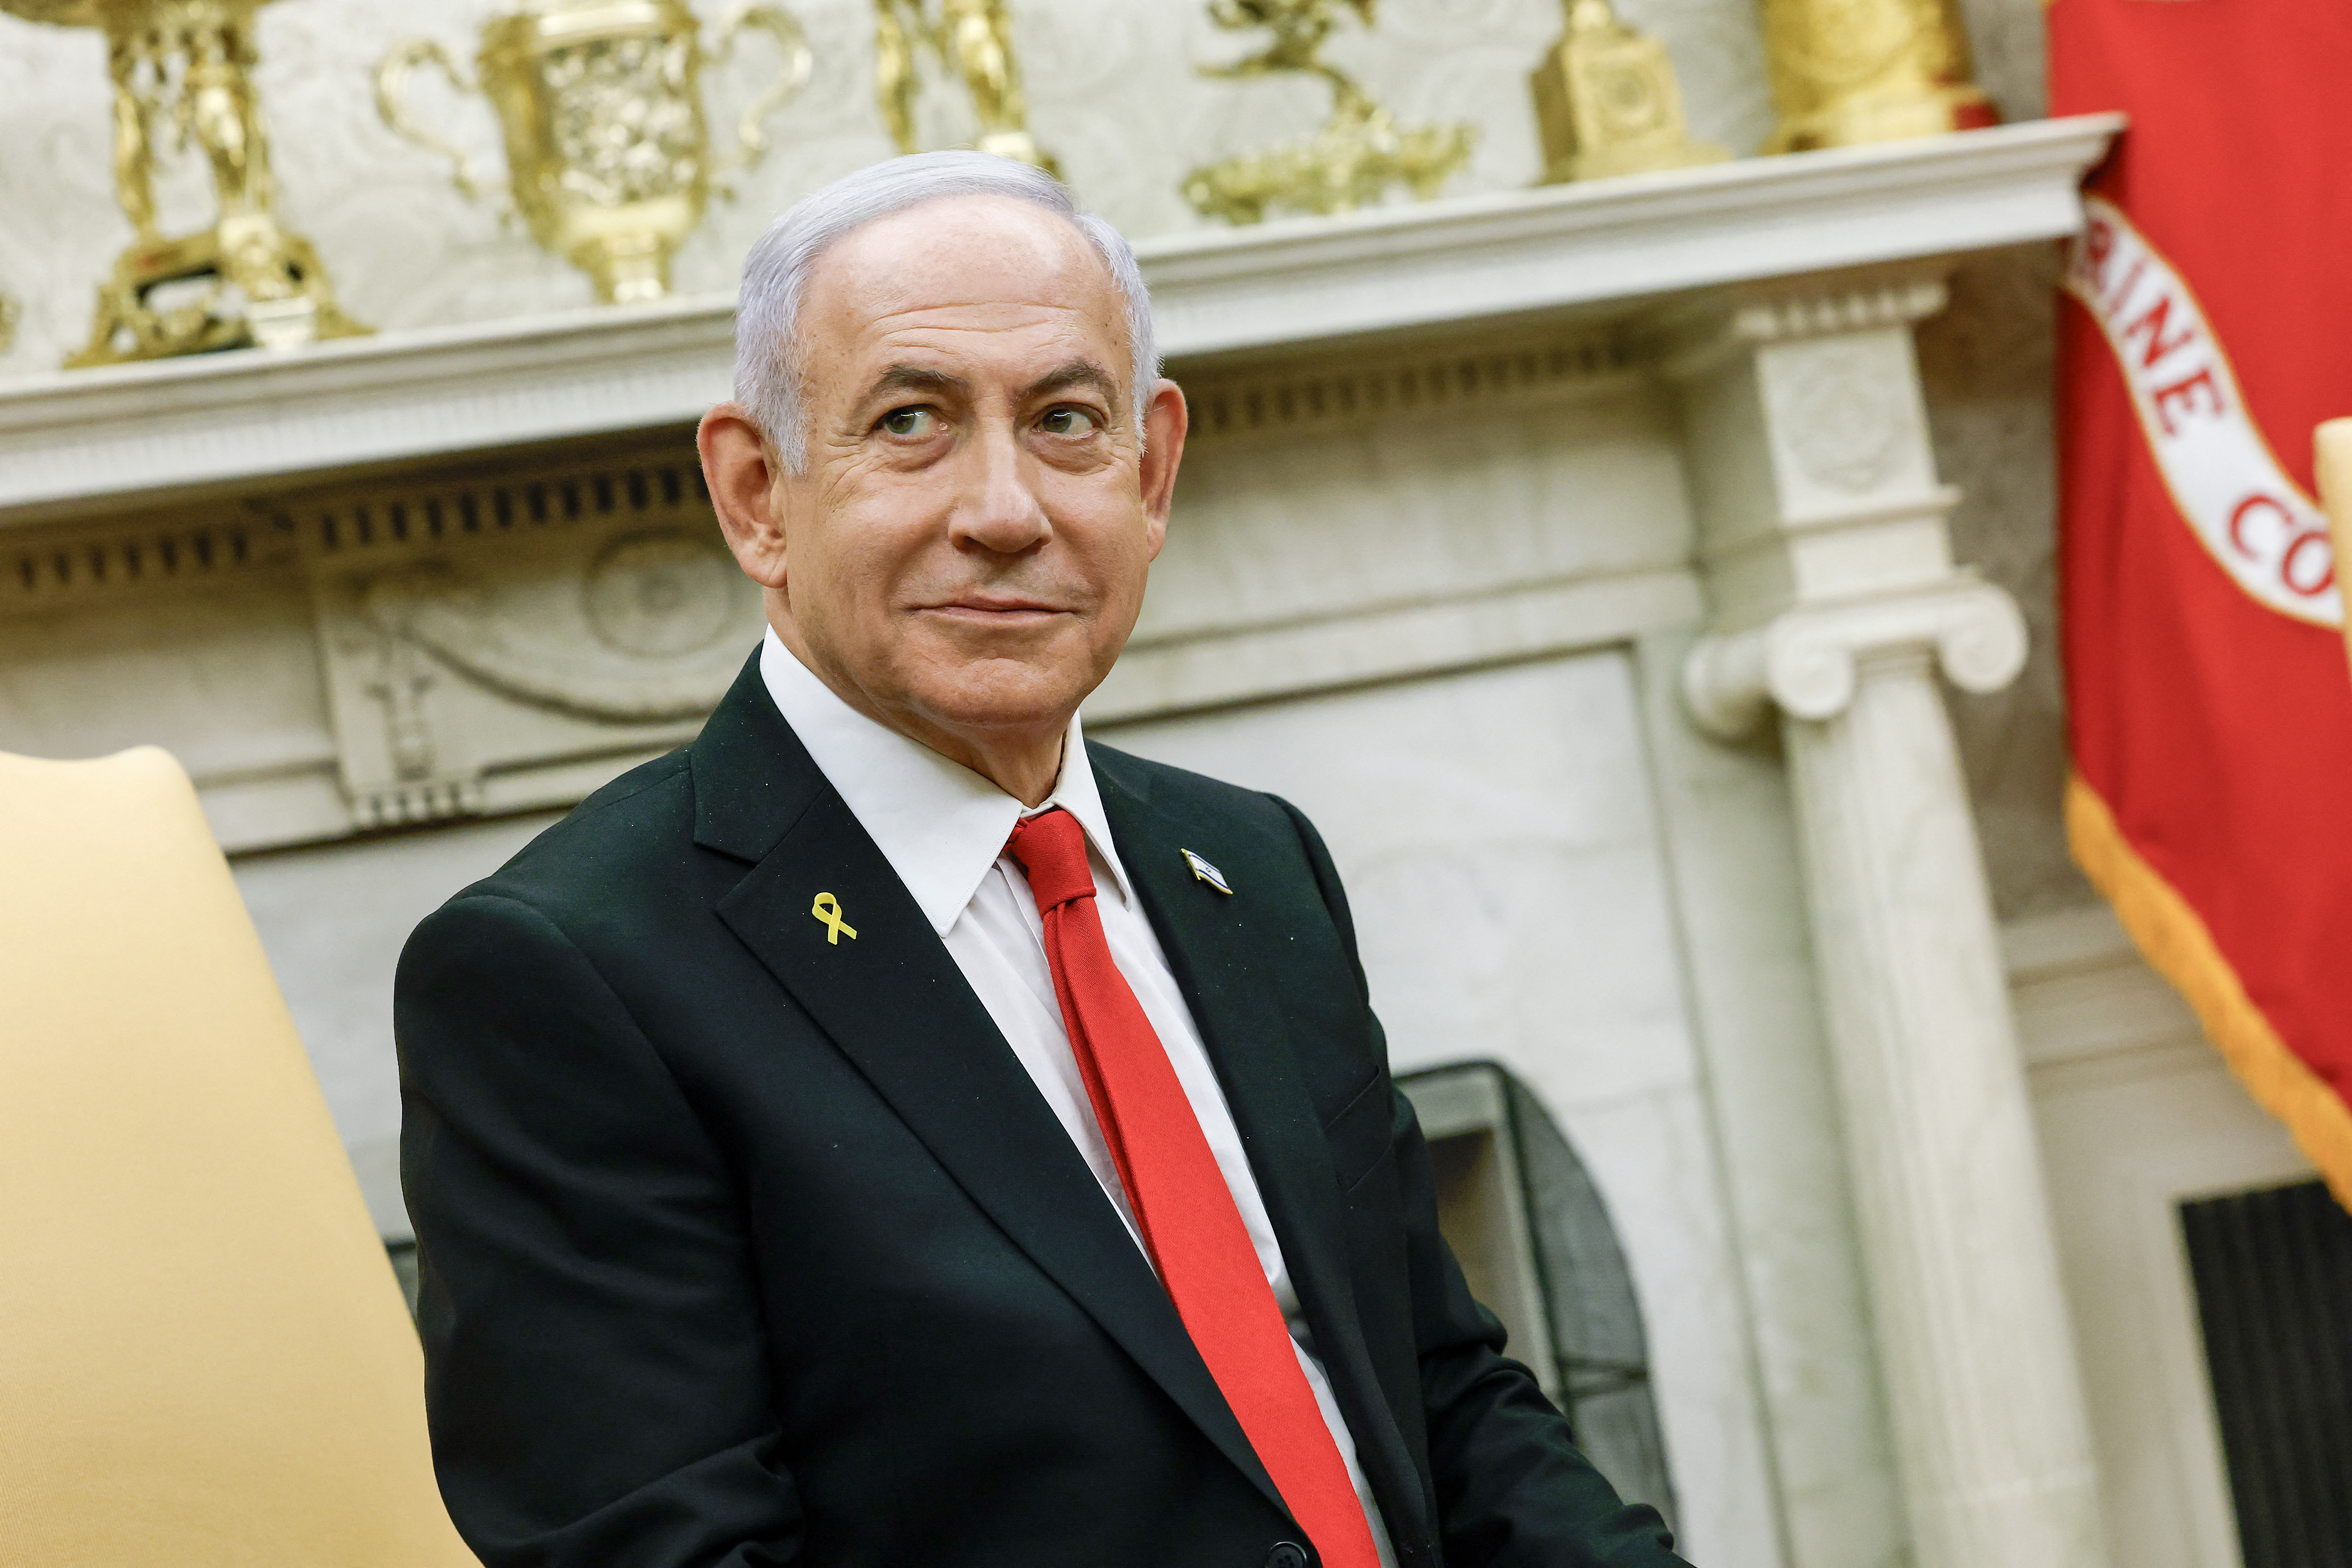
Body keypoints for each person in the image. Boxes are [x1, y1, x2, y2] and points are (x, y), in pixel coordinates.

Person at [395, 151, 1690, 1568]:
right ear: (758, 494)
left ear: (1152, 473)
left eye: (1067, 421)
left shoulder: (1251, 863)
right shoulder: (562, 976)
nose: (1004, 509)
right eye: (911, 422)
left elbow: (1439, 1391)